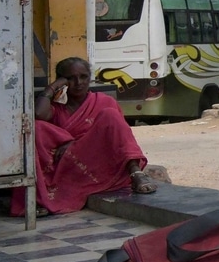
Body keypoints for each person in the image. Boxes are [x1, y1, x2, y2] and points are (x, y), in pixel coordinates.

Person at [13, 57, 158, 217]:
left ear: (90, 78)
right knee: (38, 128)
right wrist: (52, 88)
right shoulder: (57, 110)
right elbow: (39, 114)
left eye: (83, 77)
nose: (78, 82)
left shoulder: (104, 102)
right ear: (62, 81)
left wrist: (76, 143)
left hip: (99, 165)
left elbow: (119, 138)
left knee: (110, 114)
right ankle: (42, 196)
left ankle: (136, 173)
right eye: (70, 78)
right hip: (69, 169)